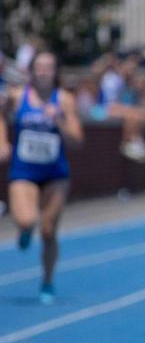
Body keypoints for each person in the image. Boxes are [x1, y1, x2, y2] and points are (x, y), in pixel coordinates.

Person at [0, 51, 84, 303]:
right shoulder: (17, 97)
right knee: (26, 220)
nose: (44, 72)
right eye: (39, 67)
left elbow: (77, 141)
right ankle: (25, 230)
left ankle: (47, 281)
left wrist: (58, 120)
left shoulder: (65, 100)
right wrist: (3, 141)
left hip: (55, 173)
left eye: (49, 67)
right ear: (31, 70)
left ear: (56, 71)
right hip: (24, 170)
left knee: (48, 231)